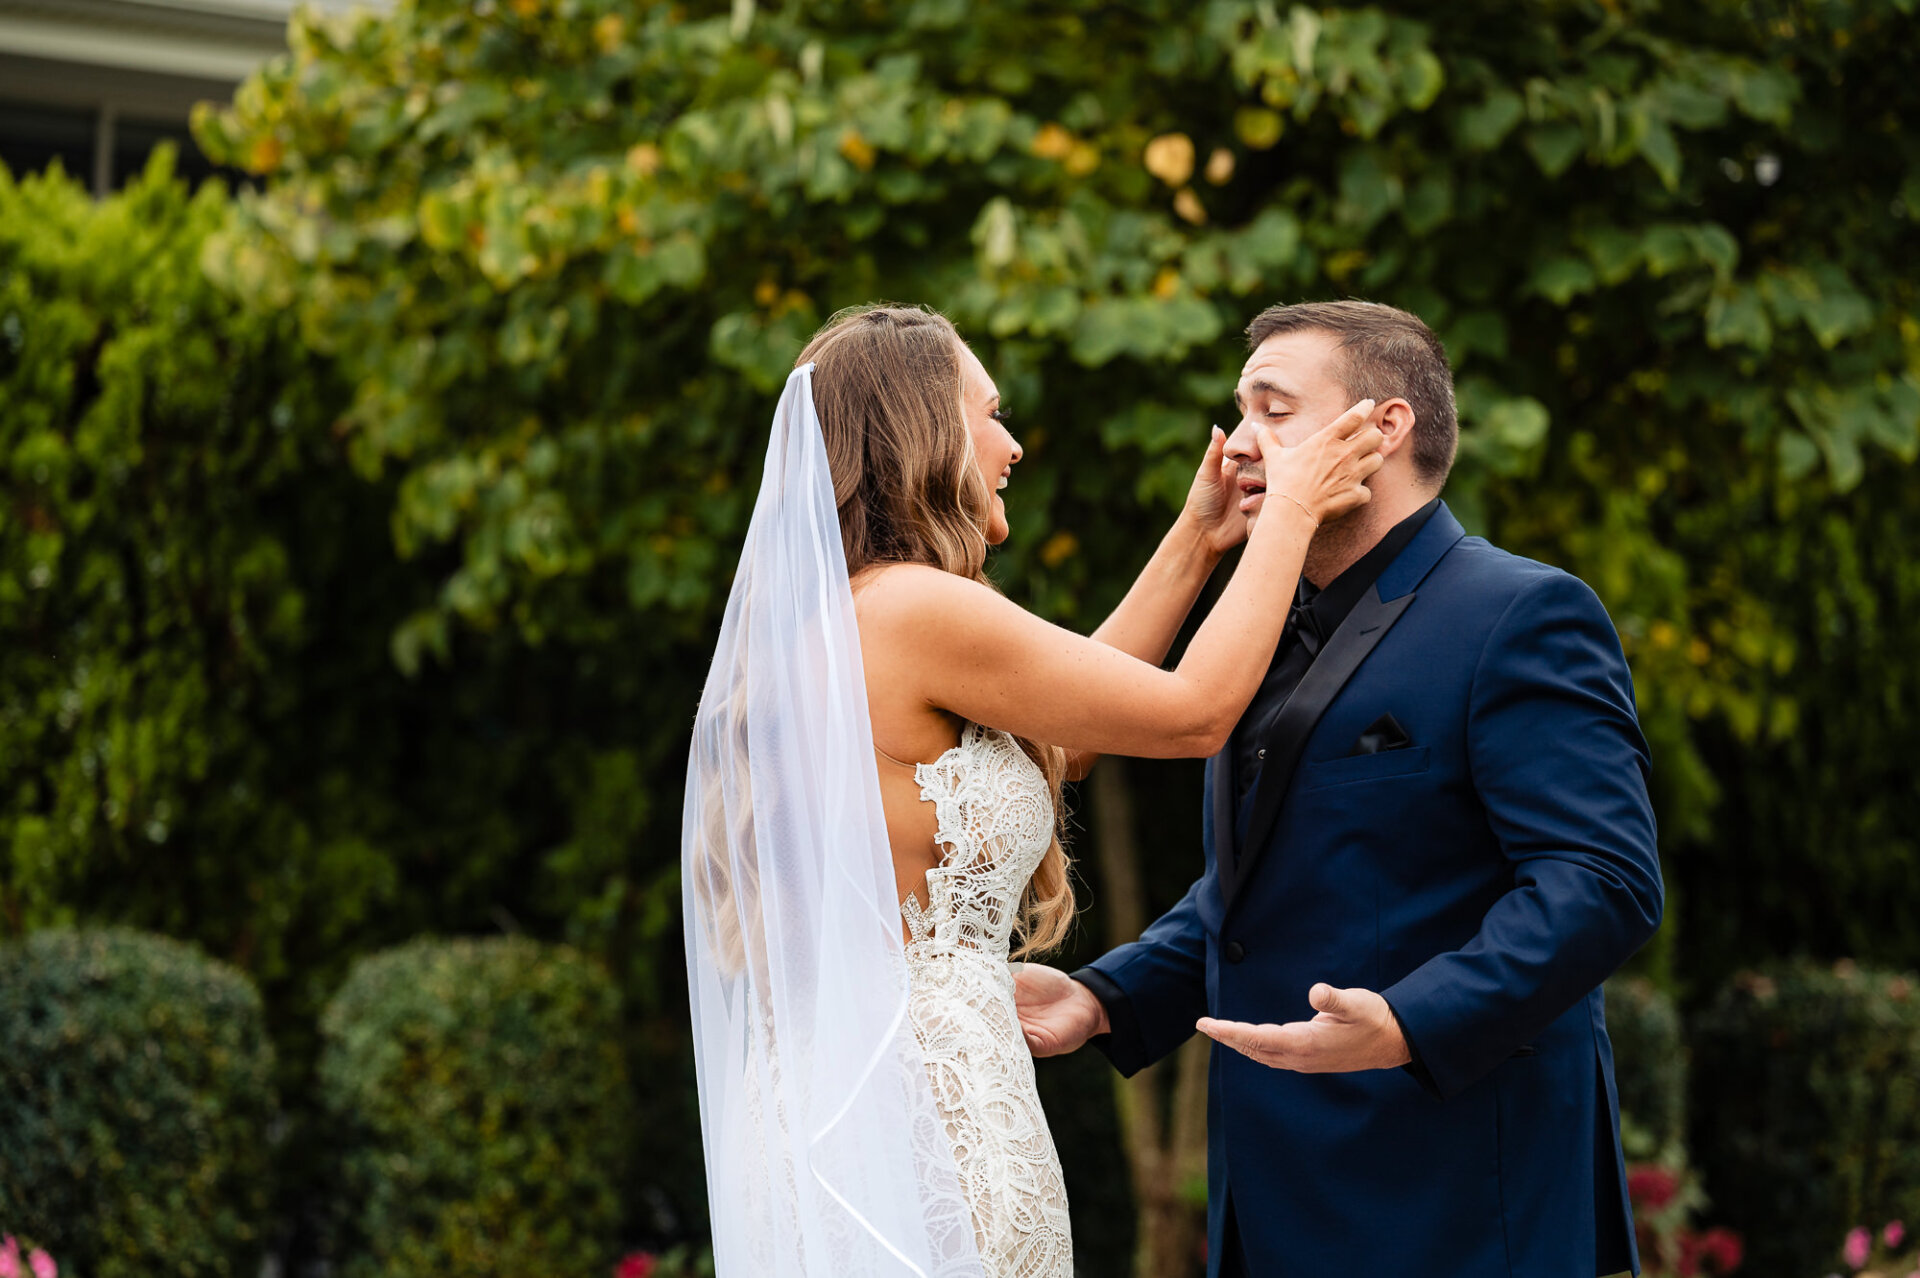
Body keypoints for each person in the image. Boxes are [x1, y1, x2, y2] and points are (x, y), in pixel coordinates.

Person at [682, 303, 1381, 1277]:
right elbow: (1194, 714)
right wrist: (1293, 513)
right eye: (992, 413)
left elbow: (1064, 741)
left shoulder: (857, 617)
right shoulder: (916, 608)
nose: (1011, 445)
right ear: (924, 430)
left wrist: (1199, 538)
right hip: (924, 1112)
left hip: (864, 1096)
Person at [1013, 299, 1666, 1278]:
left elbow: (1602, 881)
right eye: (1239, 411)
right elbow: (1265, 892)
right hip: (1273, 1203)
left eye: (1273, 410)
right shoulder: (1263, 624)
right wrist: (1107, 997)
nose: (1237, 445)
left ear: (1384, 426)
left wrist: (1411, 1022)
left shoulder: (1522, 614)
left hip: (1454, 1200)